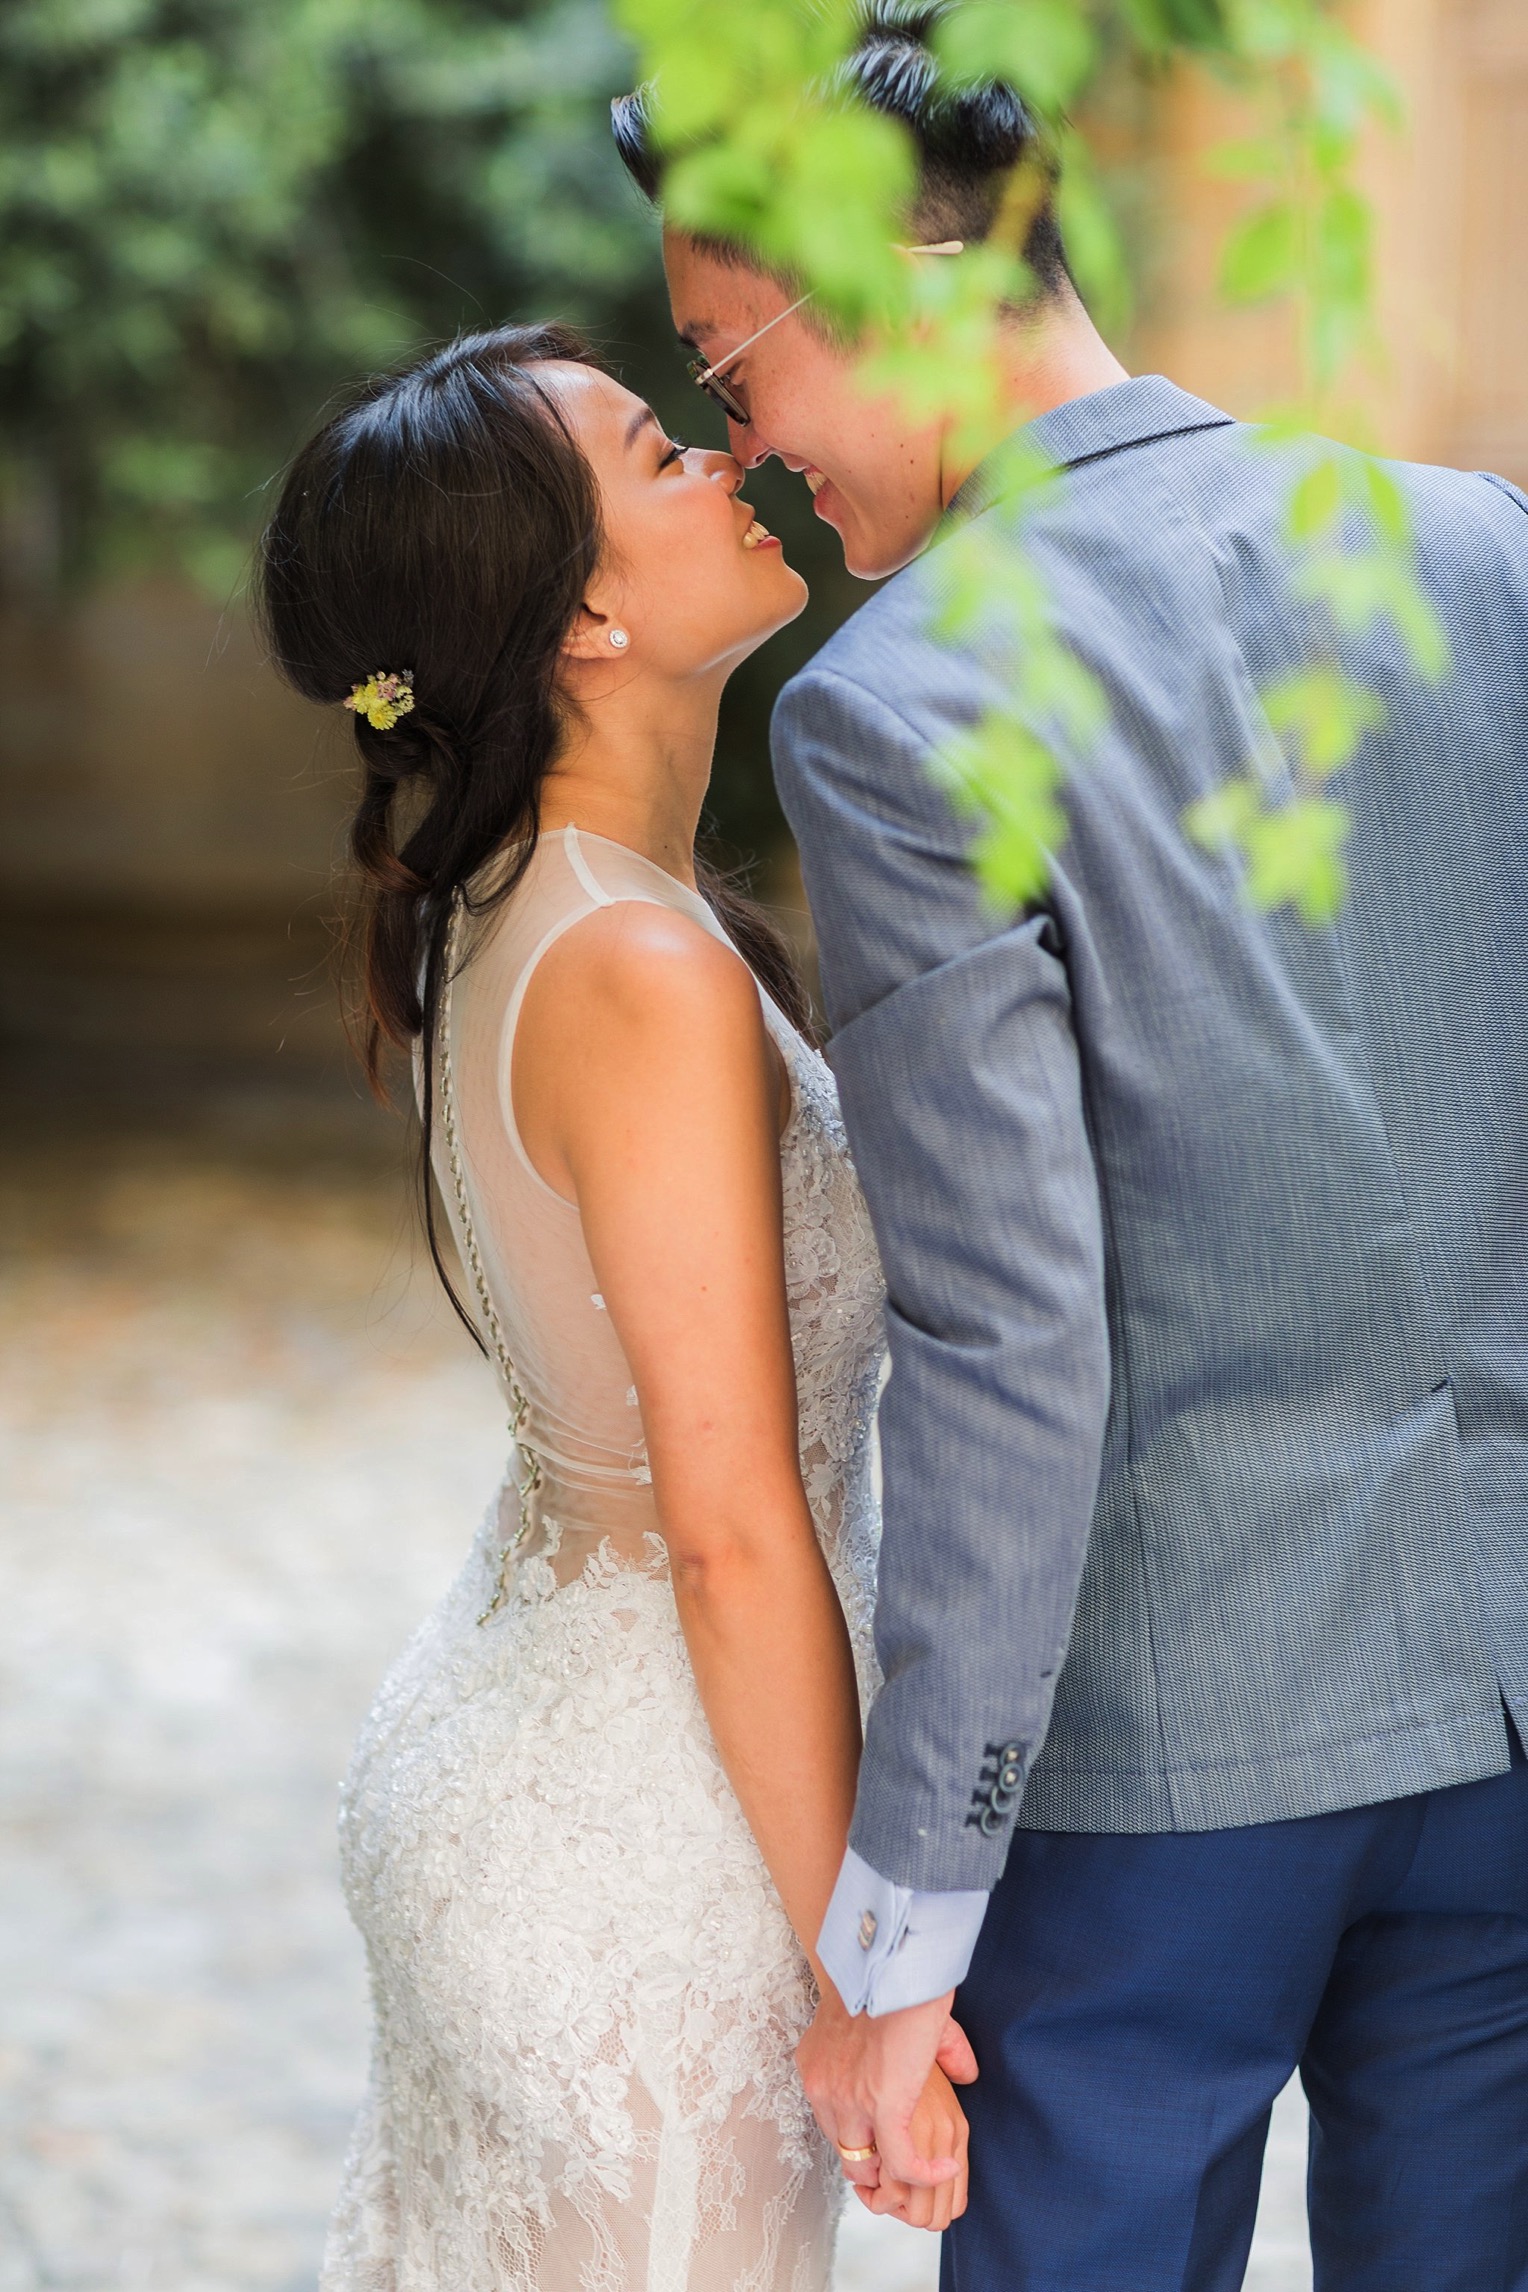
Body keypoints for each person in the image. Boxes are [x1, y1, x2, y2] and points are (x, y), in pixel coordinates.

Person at [615, 8, 1528, 2286]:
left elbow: (1009, 1341)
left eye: (734, 376)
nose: (752, 454)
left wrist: (895, 1930)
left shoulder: (904, 706)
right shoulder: (1480, 559)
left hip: (1158, 1781)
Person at [257, 324, 971, 2290]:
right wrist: (869, 1969)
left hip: (529, 1750)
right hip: (642, 1849)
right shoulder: (636, 969)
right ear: (579, 613)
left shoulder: (525, 902)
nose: (729, 458)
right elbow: (730, 1527)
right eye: (665, 454)